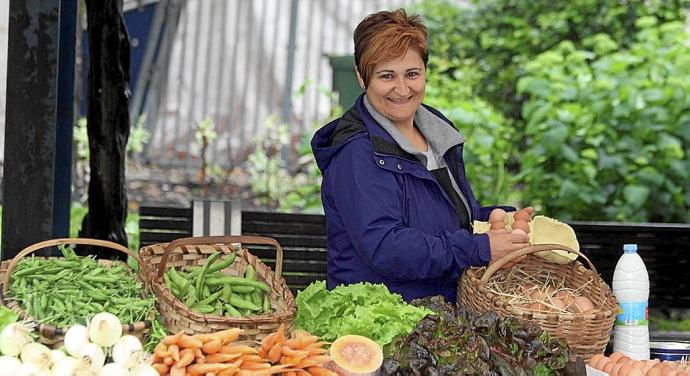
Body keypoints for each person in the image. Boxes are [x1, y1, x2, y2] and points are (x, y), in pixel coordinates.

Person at [310, 9, 529, 303]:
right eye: (387, 76)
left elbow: (446, 219)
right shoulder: (356, 153)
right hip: (382, 320)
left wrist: (500, 220)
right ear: (363, 78)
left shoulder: (437, 133)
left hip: (438, 318)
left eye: (412, 74)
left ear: (425, 72)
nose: (402, 89)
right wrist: (480, 248)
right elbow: (387, 247)